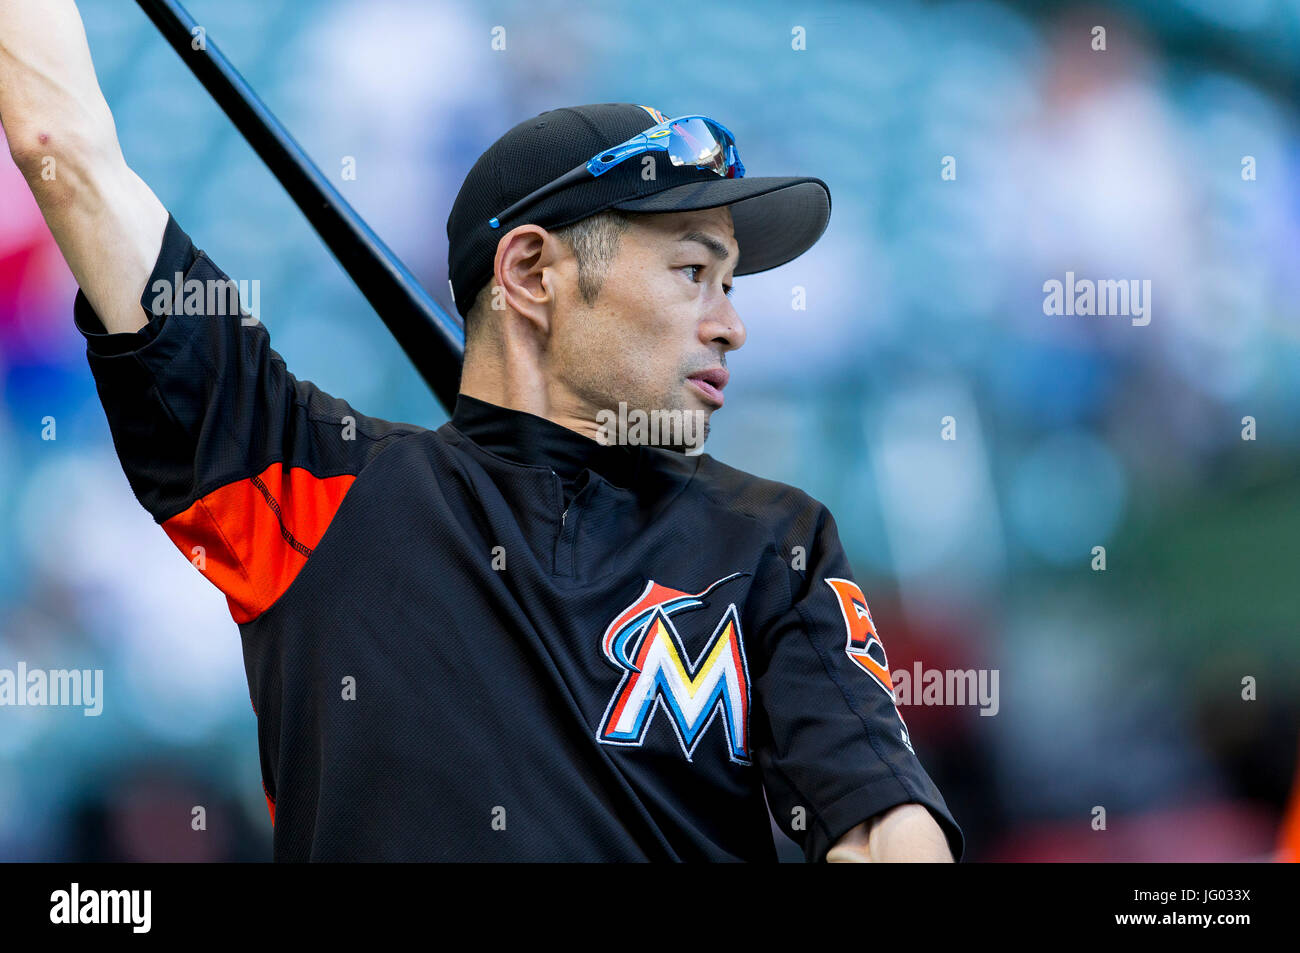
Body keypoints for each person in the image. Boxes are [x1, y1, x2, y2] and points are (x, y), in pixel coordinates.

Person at [2, 0, 963, 862]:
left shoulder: (773, 543)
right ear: (533, 273)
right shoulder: (310, 483)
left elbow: (881, 827)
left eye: (731, 284)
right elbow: (65, 147)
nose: (730, 323)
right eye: (690, 273)